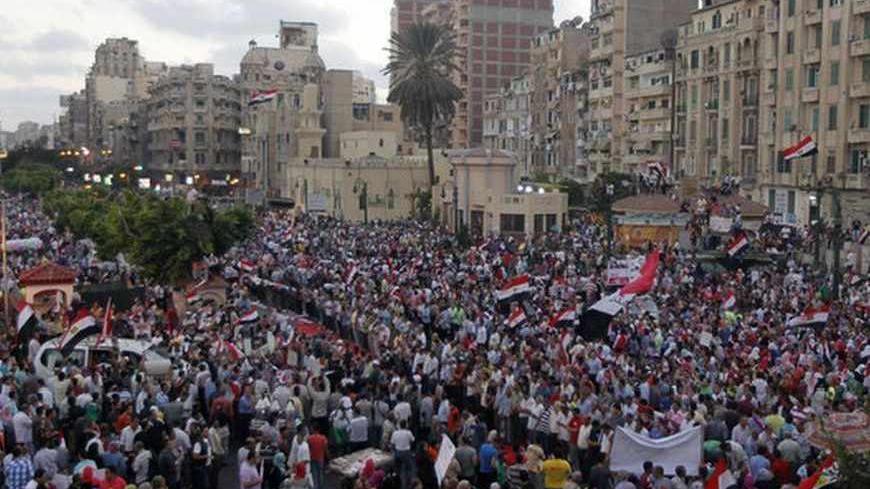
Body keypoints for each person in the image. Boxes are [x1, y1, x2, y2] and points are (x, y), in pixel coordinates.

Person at [390, 421, 415, 489]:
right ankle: (408, 483)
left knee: (397, 468)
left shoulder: (395, 433)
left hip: (398, 452)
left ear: (400, 425)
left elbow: (392, 443)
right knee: (408, 468)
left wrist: (394, 451)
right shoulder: (408, 432)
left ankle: (397, 482)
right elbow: (413, 440)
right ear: (406, 425)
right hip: (406, 452)